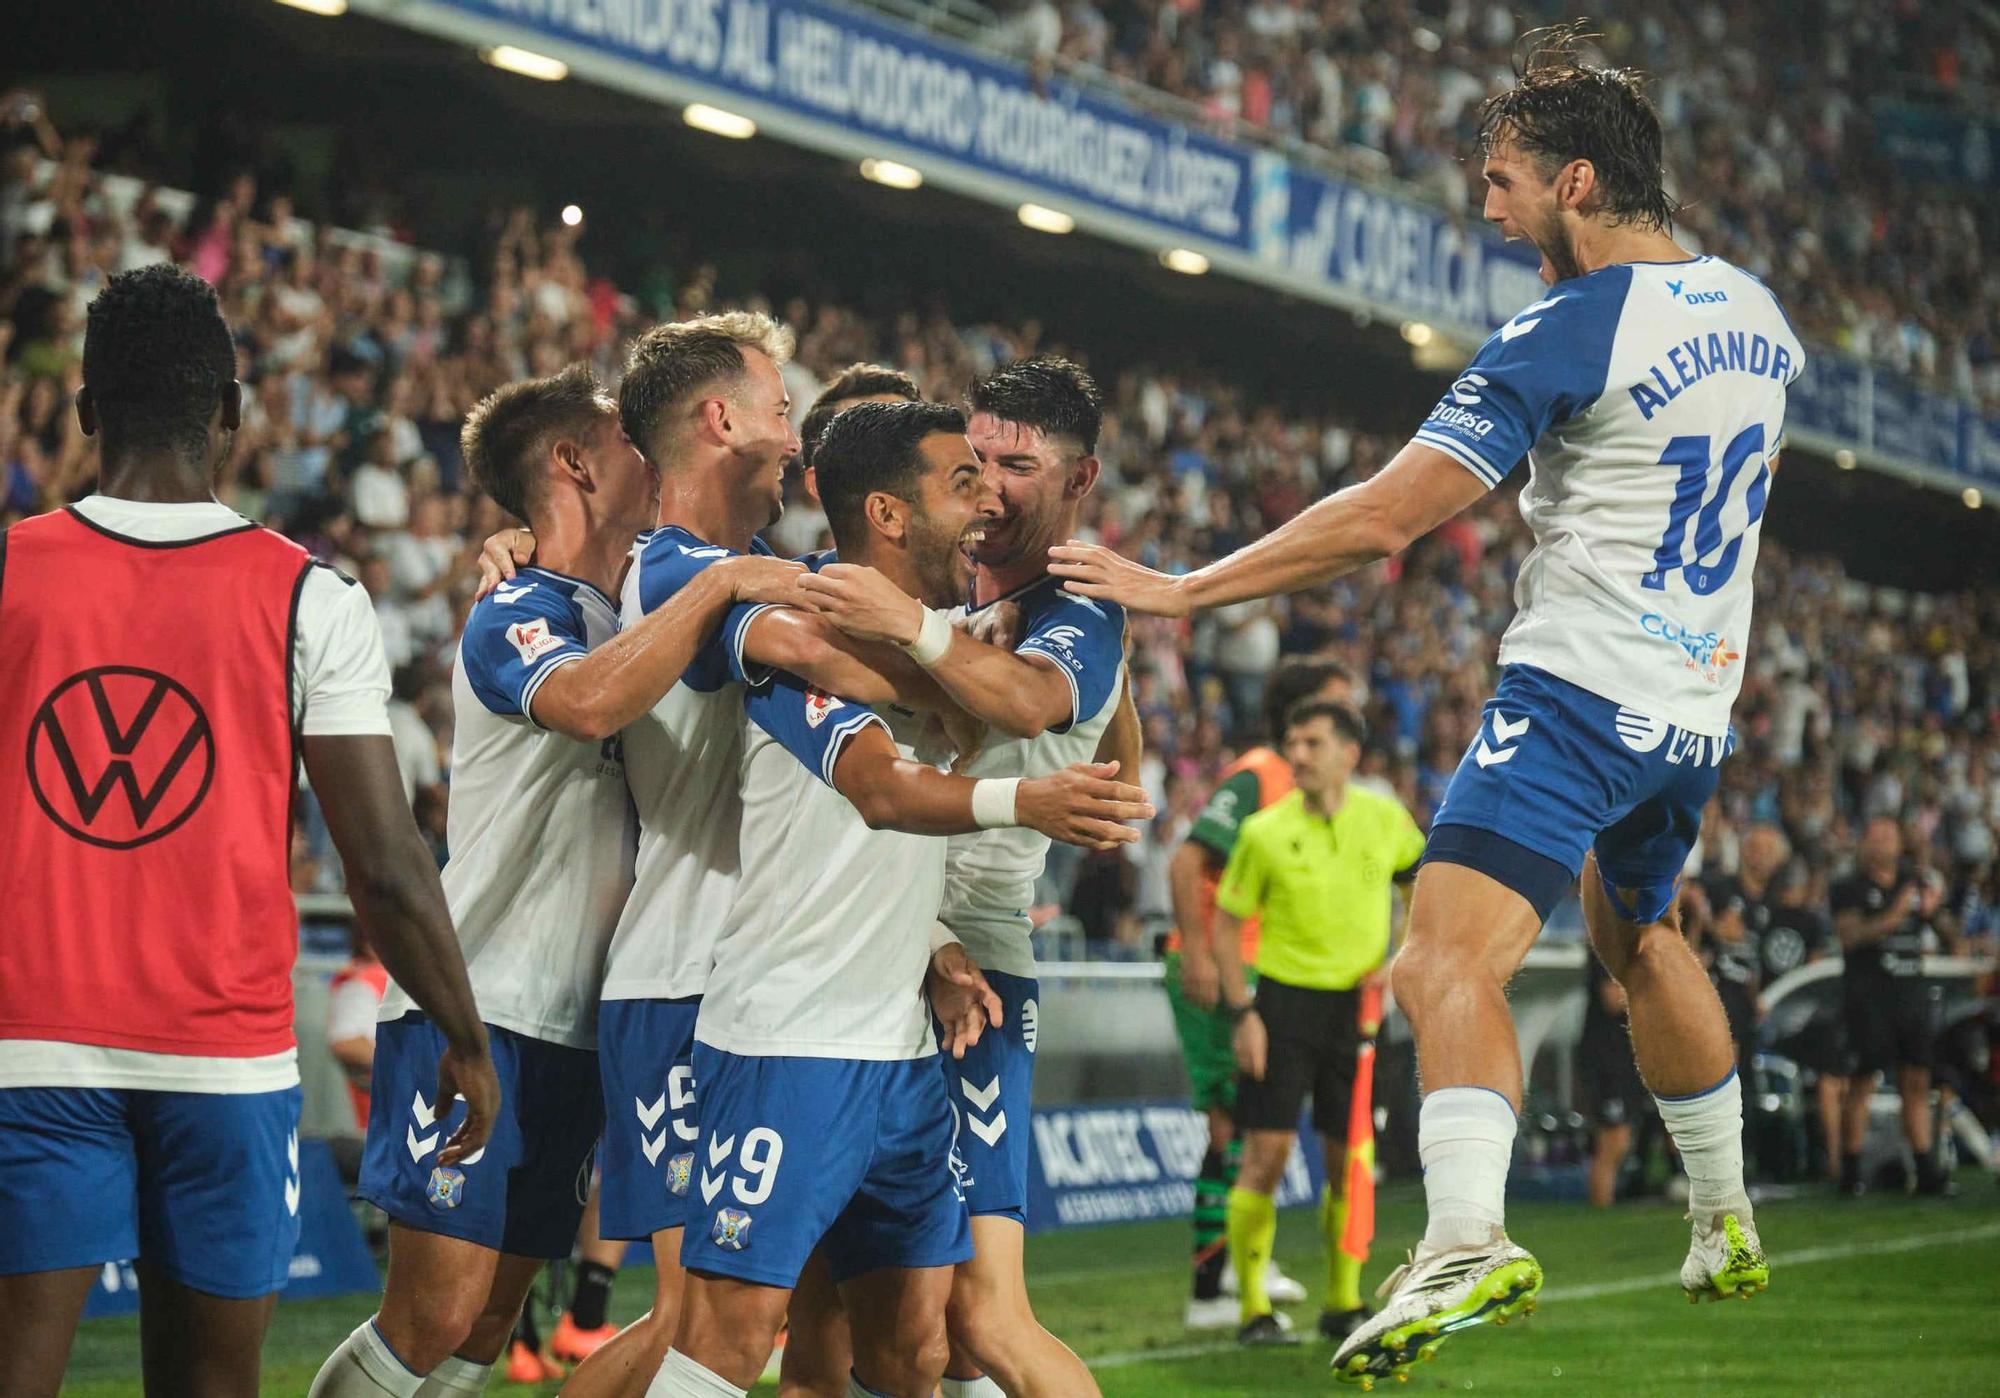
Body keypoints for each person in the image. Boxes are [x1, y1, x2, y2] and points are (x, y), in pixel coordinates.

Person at [1050, 31, 1794, 1383]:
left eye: (1504, 185)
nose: (1494, 214)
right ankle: (1727, 1214)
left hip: (1577, 693)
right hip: (1695, 712)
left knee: (1445, 964)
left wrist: (1183, 589)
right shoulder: (1760, 314)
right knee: (1645, 941)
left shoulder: (1575, 326)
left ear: (1576, 180)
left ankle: (1464, 1235)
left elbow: (1388, 517)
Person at [0, 263, 497, 1398]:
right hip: (222, 1057)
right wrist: (463, 1037)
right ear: (230, 410)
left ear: (84, 411)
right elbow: (385, 862)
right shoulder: (309, 597)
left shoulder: (8, 573)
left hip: (27, 1043)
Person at [307, 364, 801, 1398]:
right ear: (575, 462)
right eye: (628, 439)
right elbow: (584, 704)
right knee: (430, 1315)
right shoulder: (512, 607)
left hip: (582, 1027)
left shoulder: (629, 605)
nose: (649, 454)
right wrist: (720, 581)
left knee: (485, 1328)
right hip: (478, 1002)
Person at [651, 400, 1152, 1398]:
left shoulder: (952, 641)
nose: (986, 504)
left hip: (902, 1054)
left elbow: (1077, 718)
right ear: (885, 512)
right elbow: (879, 792)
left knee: (913, 1348)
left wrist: (933, 947)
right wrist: (1027, 796)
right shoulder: (795, 635)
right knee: (726, 1335)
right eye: (962, 483)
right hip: (785, 1039)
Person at [791, 357, 1130, 1398]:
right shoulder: (929, 583)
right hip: (845, 959)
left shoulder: (1077, 604)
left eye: (1017, 466)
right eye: (972, 462)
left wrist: (919, 633)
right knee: (823, 1315)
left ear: (1080, 483)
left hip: (971, 972)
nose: (987, 485)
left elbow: (1029, 703)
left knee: (978, 1316)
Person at [1206, 701, 1425, 1346]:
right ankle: (1252, 1310)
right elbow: (1225, 924)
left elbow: (1419, 880)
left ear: (1348, 753)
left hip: (1357, 1012)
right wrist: (1242, 1011)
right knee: (1266, 1157)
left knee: (1348, 1159)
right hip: (1281, 1009)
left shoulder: (1385, 820)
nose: (1297, 755)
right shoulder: (1264, 832)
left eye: (1311, 743)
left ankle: (1342, 1303)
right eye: (1291, 743)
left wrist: (1400, 957)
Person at [1165, 659, 1353, 1330]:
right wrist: (1196, 953)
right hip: (1221, 968)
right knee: (1231, 1123)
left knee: (1254, 1121)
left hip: (1261, 971)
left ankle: (1244, 1267)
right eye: (1335, 705)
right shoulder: (1258, 776)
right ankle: (1210, 1289)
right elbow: (1187, 862)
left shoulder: (1306, 788)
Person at [1831, 816, 1953, 1196]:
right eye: (1873, 836)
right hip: (1869, 995)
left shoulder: (1917, 884)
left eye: (1888, 837)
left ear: (1901, 844)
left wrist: (1932, 913)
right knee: (1863, 1080)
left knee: (1916, 1080)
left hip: (1911, 993)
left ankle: (1925, 1168)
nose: (1881, 844)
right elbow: (1851, 937)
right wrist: (1895, 915)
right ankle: (1851, 1171)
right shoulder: (1848, 887)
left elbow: (1954, 939)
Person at [1579, 940, 1646, 1208]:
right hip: (1604, 1057)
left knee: (1622, 1137)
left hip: (1622, 1055)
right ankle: (1600, 1206)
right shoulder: (1607, 949)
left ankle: (1604, 1204)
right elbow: (1613, 999)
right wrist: (1650, 988)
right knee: (1612, 1139)